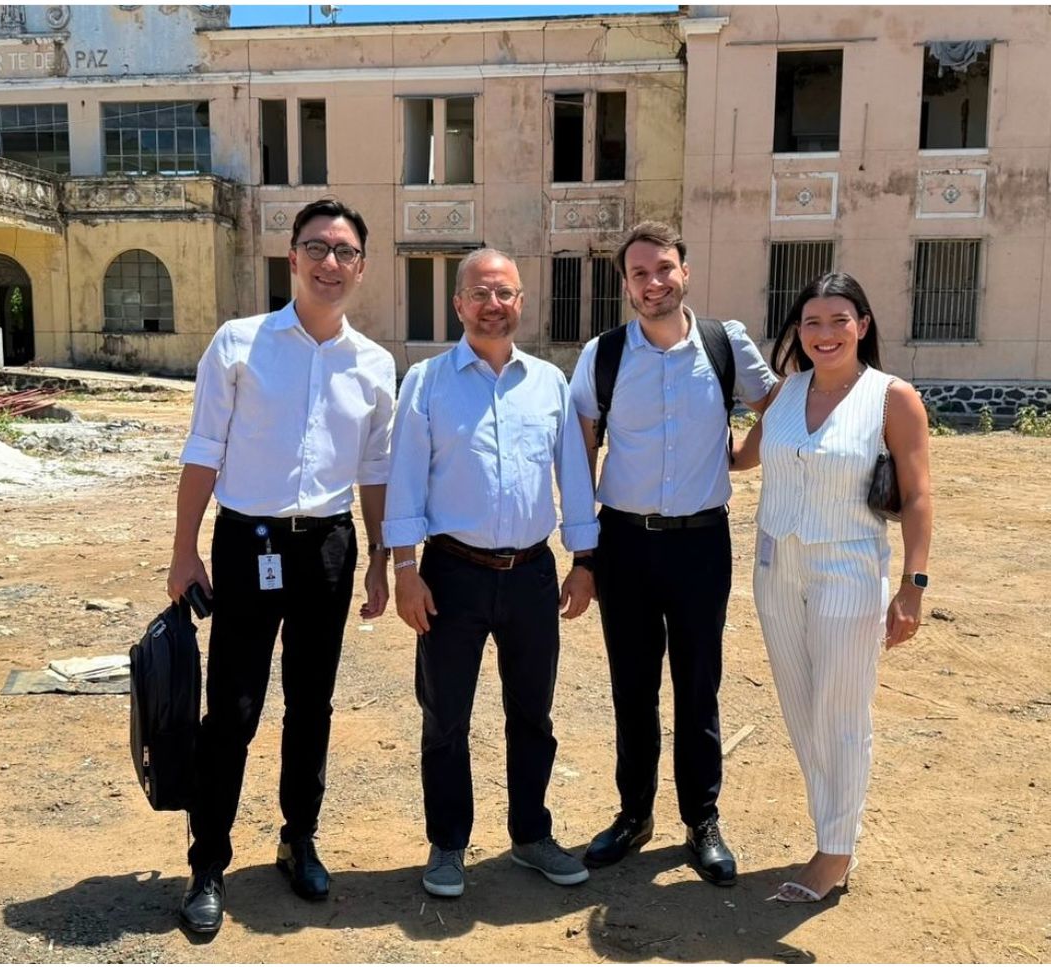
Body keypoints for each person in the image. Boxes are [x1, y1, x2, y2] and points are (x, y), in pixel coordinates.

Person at [166, 198, 396, 934]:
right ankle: (208, 860)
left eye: (345, 251)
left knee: (311, 703)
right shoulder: (238, 344)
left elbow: (375, 471)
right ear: (290, 258)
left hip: (326, 547)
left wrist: (382, 561)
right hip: (248, 543)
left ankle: (298, 837)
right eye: (316, 248)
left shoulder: (373, 363)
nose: (331, 263)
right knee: (231, 706)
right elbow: (203, 449)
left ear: (362, 267)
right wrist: (183, 548)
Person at [384, 248, 598, 898]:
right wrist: (403, 567)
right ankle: (448, 843)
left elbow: (574, 478)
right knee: (444, 714)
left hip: (532, 573)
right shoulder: (425, 382)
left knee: (532, 713)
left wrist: (584, 560)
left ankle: (531, 835)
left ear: (521, 301)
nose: (492, 304)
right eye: (479, 293)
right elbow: (403, 478)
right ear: (457, 304)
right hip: (452, 574)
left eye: (504, 293)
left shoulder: (548, 385)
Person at [568, 222, 776, 886]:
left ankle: (701, 820)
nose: (652, 282)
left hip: (700, 544)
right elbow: (581, 452)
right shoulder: (602, 356)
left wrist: (743, 456)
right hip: (624, 543)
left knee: (698, 685)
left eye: (663, 269)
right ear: (625, 285)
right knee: (632, 687)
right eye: (638, 274)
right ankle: (633, 815)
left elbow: (778, 403)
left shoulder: (724, 344)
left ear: (684, 272)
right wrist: (582, 552)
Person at [732, 272, 932, 903]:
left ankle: (835, 851)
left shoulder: (890, 398)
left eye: (838, 321)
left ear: (863, 326)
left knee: (840, 712)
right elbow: (743, 459)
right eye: (811, 323)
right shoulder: (787, 393)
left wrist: (913, 586)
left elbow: (919, 494)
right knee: (800, 707)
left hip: (849, 568)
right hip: (776, 568)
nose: (824, 334)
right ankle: (831, 828)